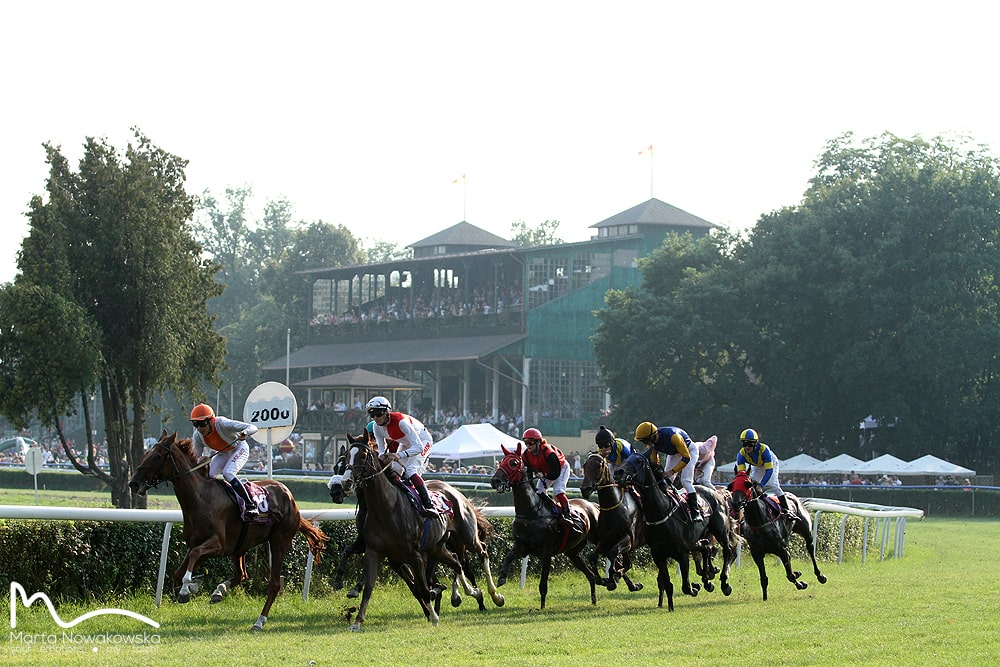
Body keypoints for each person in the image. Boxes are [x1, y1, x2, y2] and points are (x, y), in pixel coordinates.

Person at [365, 396, 435, 514]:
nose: (376, 418)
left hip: (423, 441)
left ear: (387, 411)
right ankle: (402, 499)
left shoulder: (401, 422)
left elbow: (418, 447)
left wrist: (398, 455)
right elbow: (382, 453)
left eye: (378, 413)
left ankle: (429, 504)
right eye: (372, 415)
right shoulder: (376, 427)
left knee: (410, 470)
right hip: (405, 442)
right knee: (396, 469)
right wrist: (383, 458)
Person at [190, 403, 260, 515]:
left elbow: (253, 427)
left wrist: (245, 433)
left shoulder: (222, 423)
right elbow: (196, 458)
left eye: (202, 424)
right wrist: (201, 460)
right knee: (209, 476)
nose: (199, 428)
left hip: (239, 449)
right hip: (222, 453)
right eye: (195, 424)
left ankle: (250, 504)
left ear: (211, 420)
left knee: (228, 473)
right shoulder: (197, 436)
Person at [634, 421, 702, 522]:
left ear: (652, 436)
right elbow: (654, 460)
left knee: (685, 481)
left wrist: (672, 471)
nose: (645, 443)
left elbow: (686, 458)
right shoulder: (652, 442)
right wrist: (657, 471)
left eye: (645, 441)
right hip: (674, 453)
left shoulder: (674, 437)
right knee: (665, 481)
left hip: (689, 452)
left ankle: (695, 511)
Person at [520, 427, 577, 528]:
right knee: (539, 492)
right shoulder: (526, 455)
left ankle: (567, 515)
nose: (528, 445)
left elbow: (556, 473)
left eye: (531, 442)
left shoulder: (548, 452)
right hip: (546, 471)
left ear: (538, 442)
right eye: (526, 442)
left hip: (561, 468)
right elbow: (529, 474)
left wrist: (544, 475)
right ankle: (549, 511)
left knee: (558, 491)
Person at [735, 428, 796, 520]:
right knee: (751, 485)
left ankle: (787, 510)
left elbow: (769, 471)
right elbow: (742, 474)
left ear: (755, 443)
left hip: (770, 464)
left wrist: (761, 485)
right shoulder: (741, 454)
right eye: (744, 444)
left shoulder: (764, 450)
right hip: (757, 466)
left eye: (750, 444)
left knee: (773, 485)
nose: (747, 447)